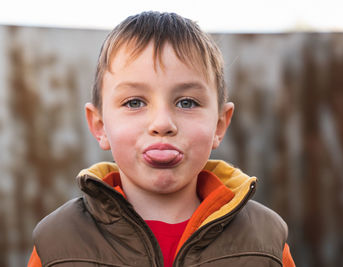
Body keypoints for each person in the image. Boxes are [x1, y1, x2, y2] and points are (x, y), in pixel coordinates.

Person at [28, 11, 295, 267]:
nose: (162, 124)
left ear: (219, 124)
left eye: (187, 102)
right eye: (134, 102)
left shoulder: (266, 242)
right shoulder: (57, 244)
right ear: (100, 126)